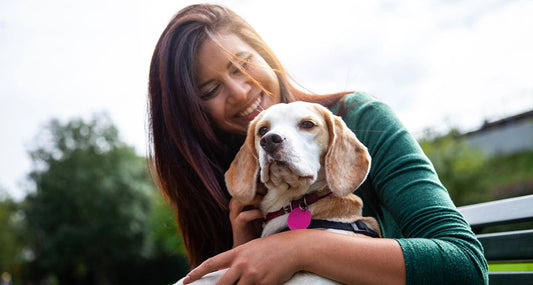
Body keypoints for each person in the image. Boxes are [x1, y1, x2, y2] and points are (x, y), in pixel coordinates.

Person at [147, 4, 488, 284]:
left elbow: (466, 266)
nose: (239, 92)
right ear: (193, 115)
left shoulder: (360, 119)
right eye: (210, 91)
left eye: (243, 65)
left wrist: (298, 247)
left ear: (266, 55)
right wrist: (245, 253)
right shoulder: (227, 175)